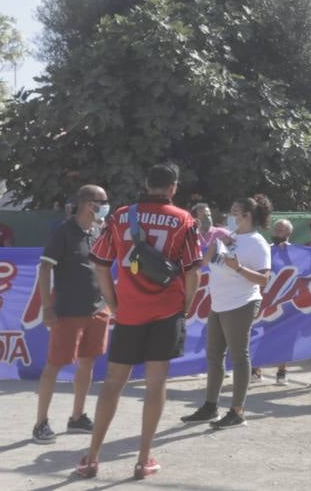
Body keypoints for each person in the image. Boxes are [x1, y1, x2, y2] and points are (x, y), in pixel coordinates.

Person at [79, 163, 201, 480]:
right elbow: (193, 272)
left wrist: (113, 303)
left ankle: (91, 457)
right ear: (173, 187)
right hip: (167, 310)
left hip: (130, 311)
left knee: (113, 383)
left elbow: (100, 264)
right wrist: (185, 307)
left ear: (147, 184)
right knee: (156, 383)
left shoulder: (120, 216)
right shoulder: (185, 219)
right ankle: (143, 458)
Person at [182, 194, 273, 430]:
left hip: (242, 303)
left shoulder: (257, 242)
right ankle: (210, 406)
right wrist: (208, 253)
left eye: (235, 212)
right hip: (219, 304)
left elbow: (263, 279)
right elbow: (203, 264)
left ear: (247, 215)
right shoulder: (227, 238)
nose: (230, 216)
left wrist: (239, 268)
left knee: (239, 356)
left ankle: (237, 411)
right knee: (214, 357)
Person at [32, 185, 111, 443]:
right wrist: (47, 307)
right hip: (67, 312)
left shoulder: (99, 232)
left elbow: (103, 270)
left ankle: (77, 417)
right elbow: (45, 269)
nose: (106, 204)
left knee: (88, 362)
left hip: (97, 310)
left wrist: (111, 303)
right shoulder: (63, 232)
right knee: (54, 365)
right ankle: (40, 423)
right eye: (103, 201)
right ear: (88, 203)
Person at [265, 218, 293, 384]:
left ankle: (281, 371)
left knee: (286, 336)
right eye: (275, 229)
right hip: (266, 299)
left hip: (285, 301)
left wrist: (287, 254)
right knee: (259, 334)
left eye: (281, 230)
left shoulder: (296, 252)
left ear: (289, 233)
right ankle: (256, 369)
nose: (277, 233)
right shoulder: (266, 249)